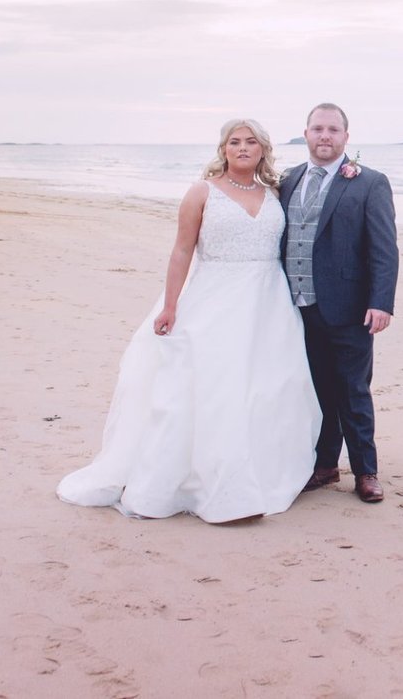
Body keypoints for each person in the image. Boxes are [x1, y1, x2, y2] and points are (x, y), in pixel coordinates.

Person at [57, 119, 322, 523]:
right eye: (234, 142)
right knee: (215, 388)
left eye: (251, 142)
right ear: (223, 149)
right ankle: (212, 484)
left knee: (266, 387)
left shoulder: (275, 194)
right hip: (214, 299)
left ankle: (260, 471)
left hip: (268, 304)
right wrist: (170, 305)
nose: (243, 148)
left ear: (263, 150)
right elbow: (182, 251)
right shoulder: (202, 192)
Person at [280, 102, 399, 504]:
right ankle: (325, 464)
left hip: (349, 308)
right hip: (297, 308)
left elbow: (384, 250)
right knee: (315, 390)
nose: (325, 136)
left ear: (346, 137)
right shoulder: (287, 180)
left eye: (333, 129)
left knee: (352, 390)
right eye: (317, 129)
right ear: (306, 134)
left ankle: (366, 470)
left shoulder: (370, 182)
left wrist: (381, 302)